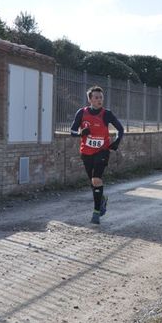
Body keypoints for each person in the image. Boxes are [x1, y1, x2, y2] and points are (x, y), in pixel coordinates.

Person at [70, 86, 124, 225]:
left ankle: (96, 213)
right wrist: (81, 133)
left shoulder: (107, 114)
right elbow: (72, 131)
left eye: (101, 97)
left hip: (102, 150)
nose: (99, 100)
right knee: (93, 183)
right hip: (86, 152)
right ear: (90, 99)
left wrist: (116, 142)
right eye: (96, 97)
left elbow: (120, 129)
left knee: (96, 179)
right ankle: (102, 200)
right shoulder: (81, 113)